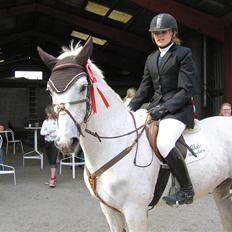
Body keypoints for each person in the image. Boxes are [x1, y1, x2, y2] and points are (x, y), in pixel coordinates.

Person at [128, 13, 196, 206]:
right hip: (156, 108)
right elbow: (144, 89)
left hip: (178, 110)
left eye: (163, 32)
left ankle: (186, 190)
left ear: (172, 32)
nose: (159, 35)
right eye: (156, 33)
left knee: (164, 142)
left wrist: (164, 108)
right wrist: (130, 107)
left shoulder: (183, 54)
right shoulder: (151, 58)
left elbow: (186, 90)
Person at [40, 105, 58, 188]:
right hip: (47, 142)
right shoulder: (45, 122)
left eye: (49, 113)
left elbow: (58, 133)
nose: (48, 114)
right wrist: (50, 131)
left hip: (54, 142)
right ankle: (54, 177)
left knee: (53, 161)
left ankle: (52, 179)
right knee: (50, 161)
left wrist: (48, 132)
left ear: (53, 112)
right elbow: (41, 133)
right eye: (47, 113)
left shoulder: (57, 121)